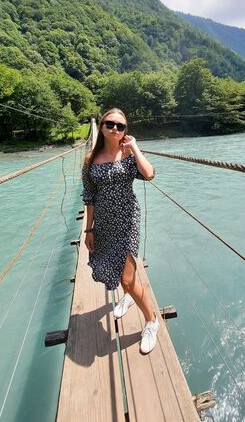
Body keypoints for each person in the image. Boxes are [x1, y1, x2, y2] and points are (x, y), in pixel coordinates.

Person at [81, 108, 159, 354]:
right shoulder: (90, 160)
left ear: (126, 130)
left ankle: (151, 321)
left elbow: (149, 174)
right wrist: (89, 229)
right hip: (104, 223)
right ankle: (129, 296)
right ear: (102, 126)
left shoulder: (128, 155)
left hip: (127, 221)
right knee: (113, 268)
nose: (115, 128)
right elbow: (89, 196)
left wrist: (134, 147)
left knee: (127, 278)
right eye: (110, 124)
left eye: (120, 126)